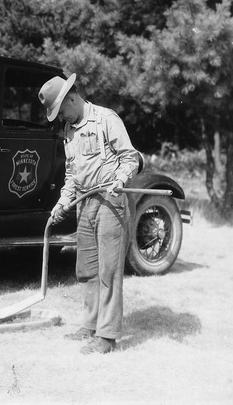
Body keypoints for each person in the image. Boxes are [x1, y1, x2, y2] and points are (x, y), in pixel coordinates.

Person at [38, 73, 139, 354]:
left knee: (109, 270)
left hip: (110, 201)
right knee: (86, 269)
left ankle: (107, 337)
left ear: (72, 98)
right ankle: (91, 325)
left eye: (61, 112)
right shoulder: (70, 131)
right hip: (84, 204)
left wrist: (120, 179)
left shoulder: (106, 119)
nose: (61, 118)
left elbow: (130, 158)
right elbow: (72, 175)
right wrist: (61, 203)